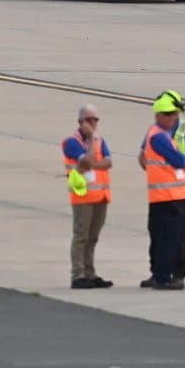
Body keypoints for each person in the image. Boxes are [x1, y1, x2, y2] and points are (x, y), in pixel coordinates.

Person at [137, 91, 185, 290]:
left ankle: (176, 274)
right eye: (170, 113)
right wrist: (160, 171)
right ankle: (158, 272)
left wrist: (177, 170)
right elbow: (144, 157)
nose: (174, 116)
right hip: (161, 193)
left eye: (176, 113)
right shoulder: (155, 133)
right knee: (157, 234)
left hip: (180, 192)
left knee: (177, 236)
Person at [62, 104, 113, 289]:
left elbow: (107, 162)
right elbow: (85, 160)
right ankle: (78, 274)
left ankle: (90, 272)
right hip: (83, 196)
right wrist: (91, 139)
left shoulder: (100, 140)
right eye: (89, 120)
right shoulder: (71, 142)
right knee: (81, 236)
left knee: (93, 237)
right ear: (80, 122)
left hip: (100, 195)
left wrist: (93, 164)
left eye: (95, 120)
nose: (93, 123)